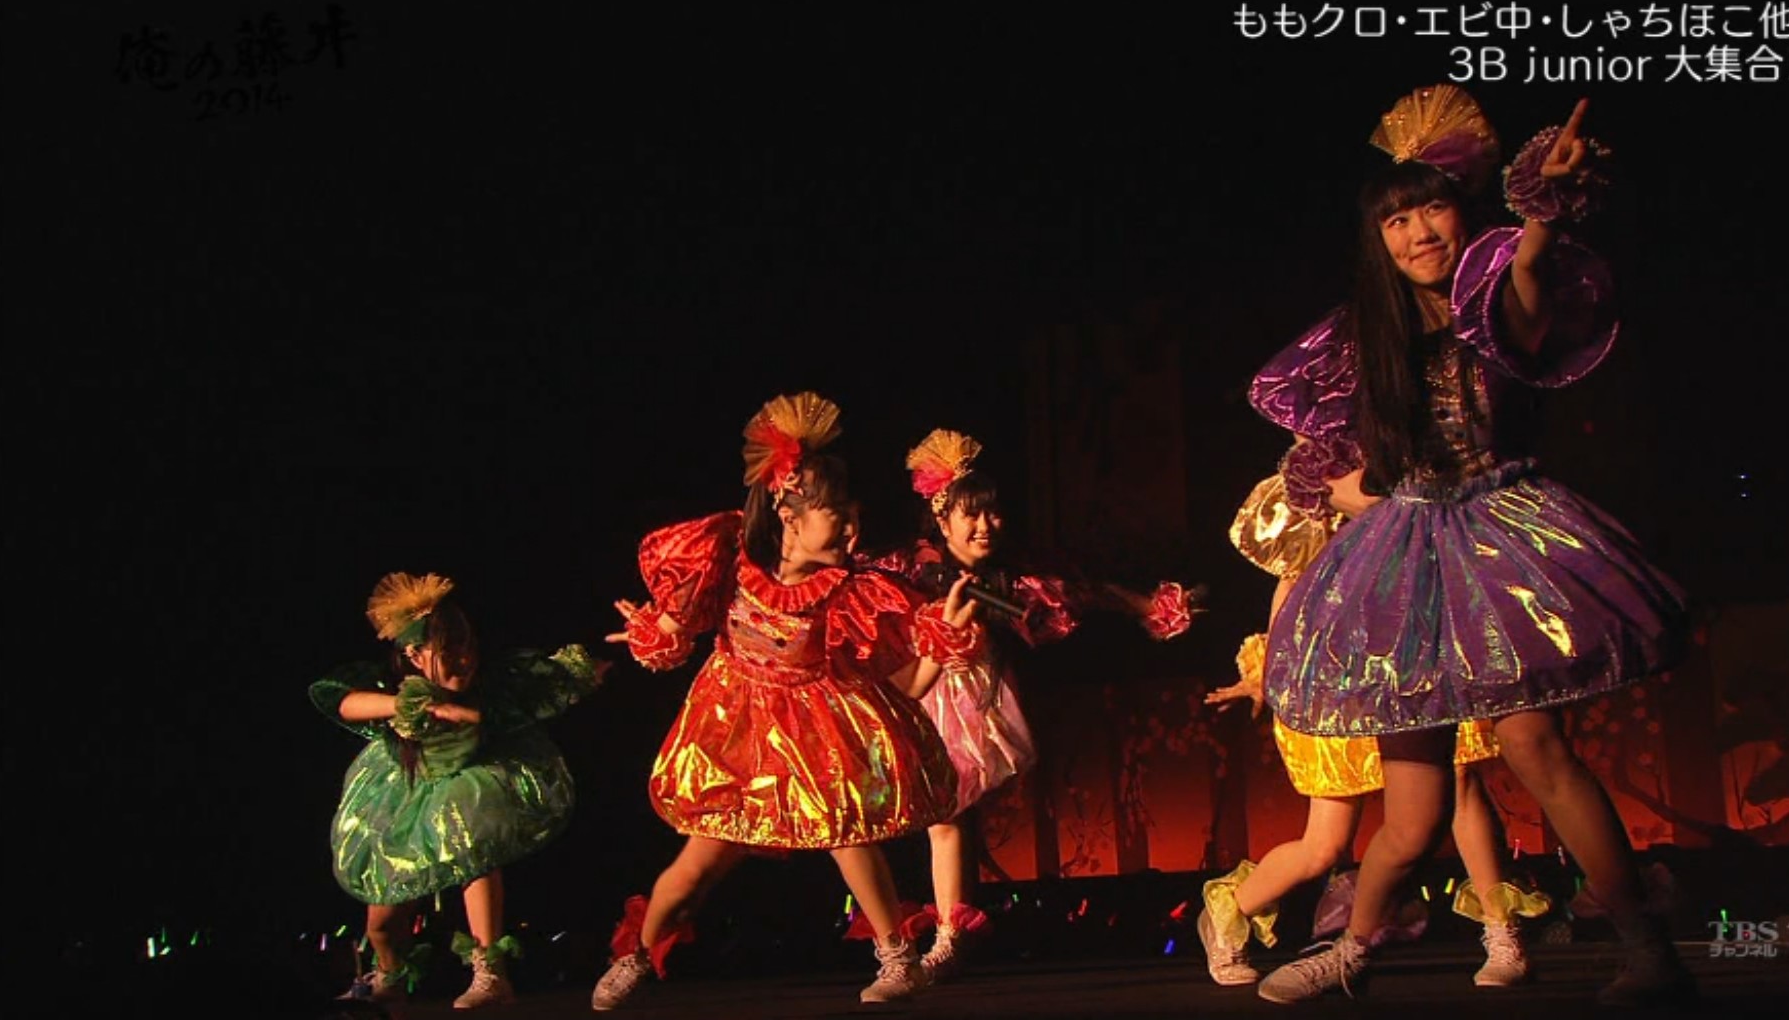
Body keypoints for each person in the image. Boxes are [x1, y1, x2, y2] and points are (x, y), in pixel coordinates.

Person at [1247, 86, 1691, 1006]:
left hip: (1501, 538)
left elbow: (1527, 294)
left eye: (1432, 210)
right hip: (1405, 558)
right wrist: (1348, 490)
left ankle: (1648, 950)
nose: (1417, 233)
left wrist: (1541, 214)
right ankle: (1352, 949)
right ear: (1377, 239)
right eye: (1397, 220)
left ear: (1466, 212)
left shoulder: (1496, 299)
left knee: (1537, 746)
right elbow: (1333, 463)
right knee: (1412, 816)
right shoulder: (1365, 338)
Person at [589, 392, 974, 1010]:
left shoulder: (850, 590)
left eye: (854, 515)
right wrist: (652, 632)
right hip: (734, 731)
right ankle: (635, 954)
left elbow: (906, 655)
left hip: (814, 727)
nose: (851, 528)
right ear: (790, 516)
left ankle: (898, 958)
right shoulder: (728, 559)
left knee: (846, 831)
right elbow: (675, 628)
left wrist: (943, 636)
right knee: (693, 871)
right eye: (836, 515)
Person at [856, 428, 1198, 981]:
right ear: (942, 520)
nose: (985, 525)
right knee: (933, 819)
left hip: (968, 700)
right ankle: (931, 932)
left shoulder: (1007, 579)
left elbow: (1084, 590)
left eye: (993, 513)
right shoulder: (908, 568)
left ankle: (949, 935)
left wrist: (1149, 607)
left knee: (949, 819)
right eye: (971, 515)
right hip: (915, 692)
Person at [1200, 464, 1547, 990]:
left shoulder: (1416, 470)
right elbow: (1291, 580)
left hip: (1413, 654)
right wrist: (1268, 674)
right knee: (1323, 847)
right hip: (1334, 675)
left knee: (1460, 779)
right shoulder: (1320, 478)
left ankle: (1503, 932)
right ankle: (1228, 911)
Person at [312, 571, 604, 1009]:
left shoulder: (491, 686)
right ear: (414, 655)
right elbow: (339, 698)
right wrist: (411, 705)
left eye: (469, 645)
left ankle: (491, 970)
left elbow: (549, 681)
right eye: (450, 650)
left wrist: (596, 666)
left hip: (469, 786)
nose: (465, 659)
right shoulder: (395, 686)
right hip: (405, 795)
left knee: (475, 847)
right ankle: (390, 972)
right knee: (382, 925)